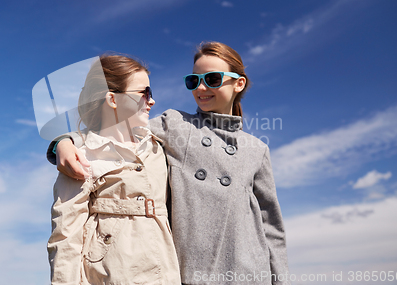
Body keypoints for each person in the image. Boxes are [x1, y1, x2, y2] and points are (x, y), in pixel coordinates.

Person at [50, 42, 290, 285]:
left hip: (249, 270)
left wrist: (280, 281)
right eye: (193, 81)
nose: (202, 87)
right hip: (191, 271)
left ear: (239, 83)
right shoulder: (175, 125)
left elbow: (271, 226)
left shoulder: (257, 150)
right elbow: (111, 131)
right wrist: (63, 141)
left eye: (213, 79)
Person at [47, 54, 180, 285]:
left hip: (166, 273)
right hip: (109, 276)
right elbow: (65, 236)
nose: (152, 101)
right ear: (112, 99)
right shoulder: (82, 154)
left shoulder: (160, 144)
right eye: (144, 93)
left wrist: (62, 141)